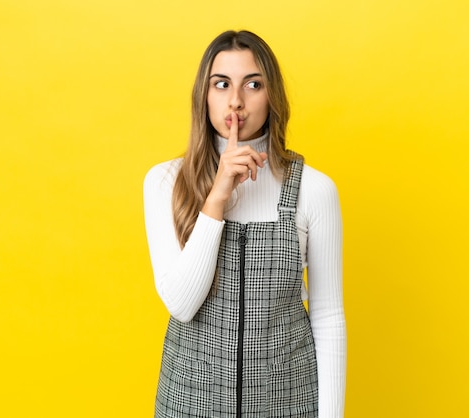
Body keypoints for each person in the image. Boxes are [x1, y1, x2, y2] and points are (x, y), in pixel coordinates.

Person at [144, 30, 346, 417]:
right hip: (188, 402)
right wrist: (217, 197)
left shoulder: (315, 191)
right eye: (221, 84)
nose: (235, 100)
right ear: (204, 95)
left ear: (273, 97)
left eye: (253, 84)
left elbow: (328, 315)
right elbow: (182, 304)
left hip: (287, 402)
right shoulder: (165, 182)